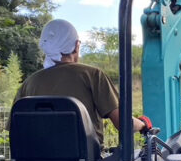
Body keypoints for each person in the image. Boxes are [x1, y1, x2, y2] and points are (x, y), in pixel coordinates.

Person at [14, 19, 149, 146]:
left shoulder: (29, 83)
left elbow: (15, 129)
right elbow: (123, 123)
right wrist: (143, 124)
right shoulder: (93, 75)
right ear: (76, 46)